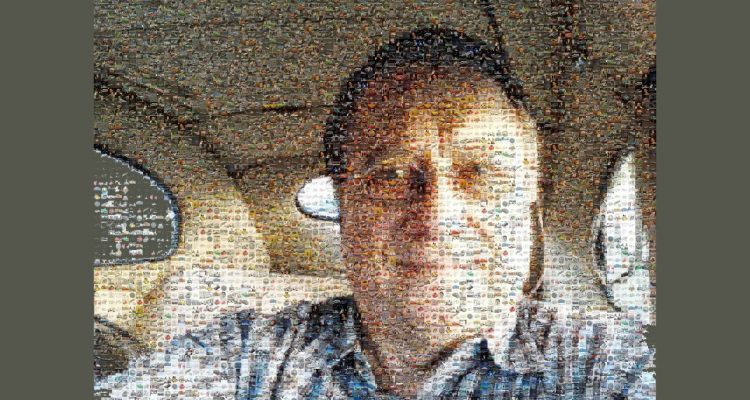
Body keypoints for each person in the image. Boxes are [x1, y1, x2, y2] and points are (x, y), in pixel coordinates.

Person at [95, 29, 654, 399]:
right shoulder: (244, 355)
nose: (437, 213)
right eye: (389, 174)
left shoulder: (608, 363)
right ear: (343, 203)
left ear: (531, 197)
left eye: (482, 172)